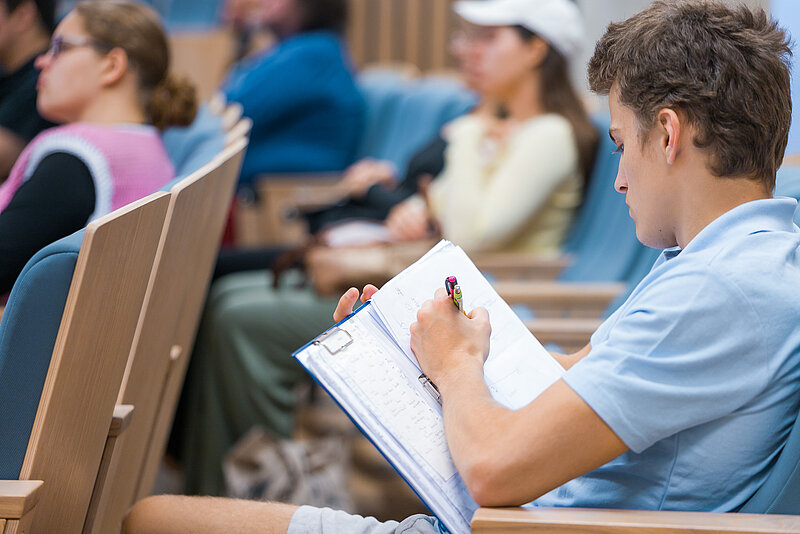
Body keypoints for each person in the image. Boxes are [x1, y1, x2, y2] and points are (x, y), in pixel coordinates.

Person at [123, 0, 800, 532]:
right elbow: (581, 379)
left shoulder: (718, 288)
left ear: (671, 135)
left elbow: (496, 471)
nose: (620, 179)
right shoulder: (723, 258)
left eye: (622, 145)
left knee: (150, 519)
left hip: (539, 525)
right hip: (532, 516)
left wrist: (456, 368)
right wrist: (415, 355)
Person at [171, 0, 595, 498]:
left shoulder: (547, 133)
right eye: (466, 37)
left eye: (487, 38)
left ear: (535, 49)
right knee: (230, 301)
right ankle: (218, 486)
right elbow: (444, 210)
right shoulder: (490, 129)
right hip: (428, 285)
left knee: (240, 317)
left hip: (470, 305)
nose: (466, 51)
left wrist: (464, 138)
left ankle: (259, 489)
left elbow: (472, 231)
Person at [0, 0, 197, 294]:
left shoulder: (75, 162)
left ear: (112, 65)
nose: (42, 61)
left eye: (60, 48)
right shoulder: (143, 145)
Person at [222, 0, 364, 188]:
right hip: (274, 187)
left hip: (297, 192)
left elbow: (231, 109)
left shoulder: (314, 53)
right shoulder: (298, 49)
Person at [0, 0, 56, 182]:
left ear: (23, 14)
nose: (47, 61)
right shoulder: (10, 72)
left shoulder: (48, 77)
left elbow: (7, 153)